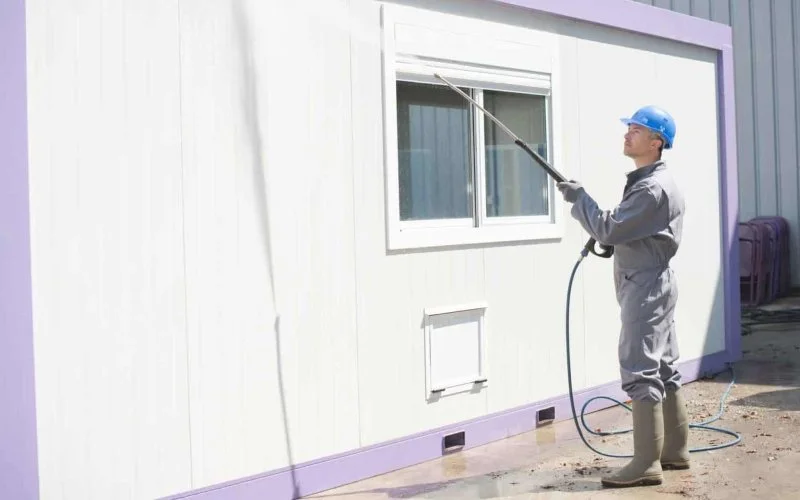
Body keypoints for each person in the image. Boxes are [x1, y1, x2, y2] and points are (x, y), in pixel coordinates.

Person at [556, 105, 689, 488]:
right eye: (628, 128)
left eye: (636, 129)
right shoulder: (651, 181)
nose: (627, 134)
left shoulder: (651, 188)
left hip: (645, 286)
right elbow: (632, 229)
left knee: (639, 368)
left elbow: (609, 228)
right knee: (663, 364)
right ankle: (675, 452)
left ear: (656, 141)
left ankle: (646, 464)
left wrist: (579, 199)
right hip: (652, 280)